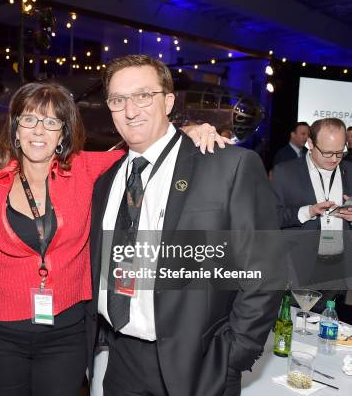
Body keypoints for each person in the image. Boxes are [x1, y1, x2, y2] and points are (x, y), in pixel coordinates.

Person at [0, 81, 229, 396]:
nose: (39, 130)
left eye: (51, 122)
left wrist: (189, 129)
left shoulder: (84, 170)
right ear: (15, 129)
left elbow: (145, 143)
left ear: (63, 133)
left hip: (66, 334)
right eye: (29, 119)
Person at [87, 54, 282, 396]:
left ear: (169, 101)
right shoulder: (107, 181)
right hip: (121, 361)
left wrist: (233, 355)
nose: (131, 110)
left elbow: (265, 268)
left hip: (199, 365)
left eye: (144, 95)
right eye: (119, 100)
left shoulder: (227, 166)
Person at [272, 118, 352, 311]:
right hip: (296, 272)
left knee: (324, 332)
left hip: (337, 274)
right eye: (327, 152)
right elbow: (270, 216)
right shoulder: (285, 172)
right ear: (310, 144)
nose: (334, 159)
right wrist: (306, 211)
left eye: (340, 152)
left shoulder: (350, 171)